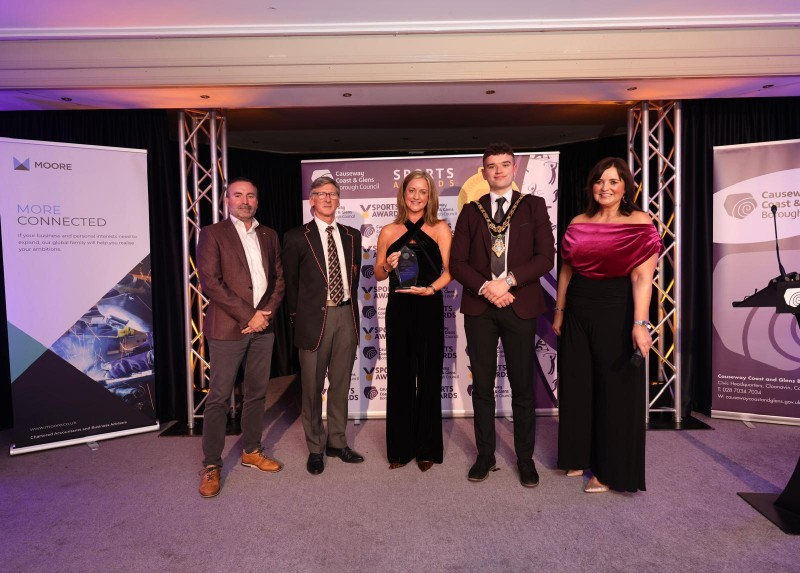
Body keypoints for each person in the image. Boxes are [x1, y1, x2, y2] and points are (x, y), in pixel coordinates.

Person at [553, 157, 662, 493]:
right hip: (577, 306)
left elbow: (644, 276)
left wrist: (640, 323)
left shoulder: (640, 222)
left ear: (625, 187)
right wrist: (559, 311)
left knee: (615, 390)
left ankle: (609, 471)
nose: (605, 187)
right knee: (578, 384)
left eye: (613, 181)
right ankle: (579, 454)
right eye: (599, 181)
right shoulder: (578, 221)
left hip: (617, 306)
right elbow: (568, 270)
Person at [450, 143, 555, 487]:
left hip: (520, 303)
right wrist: (487, 288)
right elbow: (457, 263)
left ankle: (525, 459)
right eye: (491, 166)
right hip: (481, 307)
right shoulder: (470, 211)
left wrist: (507, 281)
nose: (498, 171)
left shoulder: (533, 206)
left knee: (522, 386)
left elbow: (545, 258)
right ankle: (485, 455)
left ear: (513, 168)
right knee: (482, 386)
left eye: (504, 165)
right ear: (483, 172)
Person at [196, 177, 285, 498]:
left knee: (257, 393)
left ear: (257, 202)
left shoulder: (269, 234)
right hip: (229, 327)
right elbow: (211, 282)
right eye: (238, 195)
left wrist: (265, 314)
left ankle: (251, 451)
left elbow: (278, 280)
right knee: (219, 398)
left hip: (264, 327)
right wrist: (249, 315)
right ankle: (211, 465)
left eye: (250, 195)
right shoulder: (212, 234)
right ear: (227, 200)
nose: (245, 200)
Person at [283, 176, 365, 475]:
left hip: (346, 315)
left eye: (332, 194)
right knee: (312, 388)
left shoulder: (352, 235)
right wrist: (298, 320)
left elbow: (354, 280)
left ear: (339, 199)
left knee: (341, 385)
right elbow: (290, 285)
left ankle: (337, 442)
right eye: (321, 194)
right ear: (312, 200)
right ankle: (316, 447)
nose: (328, 199)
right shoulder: (296, 237)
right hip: (314, 320)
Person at [374, 170, 452, 472]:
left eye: (423, 191)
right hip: (400, 309)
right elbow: (379, 274)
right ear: (403, 193)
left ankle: (427, 448)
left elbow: (450, 271)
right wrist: (387, 263)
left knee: (430, 377)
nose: (417, 196)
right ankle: (400, 448)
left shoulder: (440, 228)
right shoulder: (389, 230)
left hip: (429, 306)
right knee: (401, 376)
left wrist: (431, 288)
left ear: (430, 196)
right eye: (412, 190)